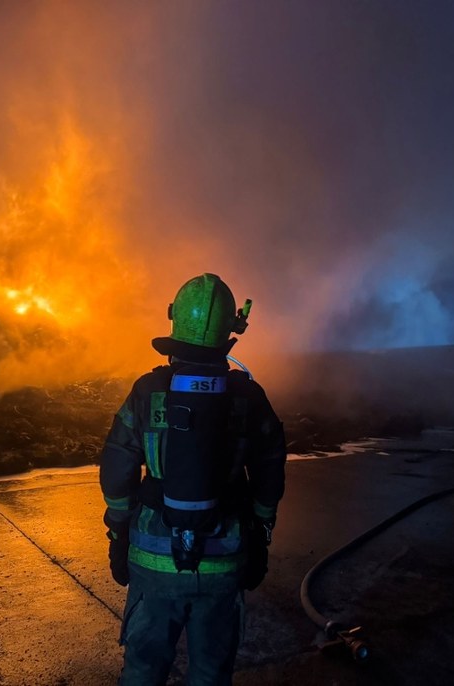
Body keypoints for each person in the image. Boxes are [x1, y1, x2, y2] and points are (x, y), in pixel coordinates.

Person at [100, 273, 287, 686]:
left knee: (144, 671)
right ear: (230, 330)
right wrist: (261, 529)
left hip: (152, 559)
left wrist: (119, 530)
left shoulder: (148, 392)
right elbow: (271, 466)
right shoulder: (249, 398)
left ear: (174, 320)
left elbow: (117, 464)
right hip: (224, 559)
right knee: (210, 673)